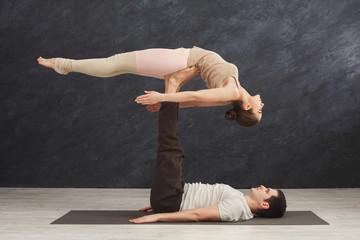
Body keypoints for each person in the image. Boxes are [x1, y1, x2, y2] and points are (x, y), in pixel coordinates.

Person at [128, 80, 286, 223]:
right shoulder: (240, 201)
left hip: (172, 198)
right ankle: (171, 88)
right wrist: (160, 204)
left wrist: (159, 215)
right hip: (171, 196)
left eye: (266, 190)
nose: (263, 186)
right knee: (171, 148)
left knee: (170, 146)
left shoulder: (236, 207)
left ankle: (172, 85)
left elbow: (196, 215)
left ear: (264, 204)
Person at [38, 46, 264, 127]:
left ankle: (62, 65)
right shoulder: (229, 94)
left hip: (179, 61)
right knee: (116, 65)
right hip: (179, 63)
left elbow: (193, 95)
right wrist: (166, 105)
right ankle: (64, 66)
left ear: (246, 107)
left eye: (259, 109)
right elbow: (194, 101)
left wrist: (162, 98)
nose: (261, 104)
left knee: (116, 62)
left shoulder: (231, 92)